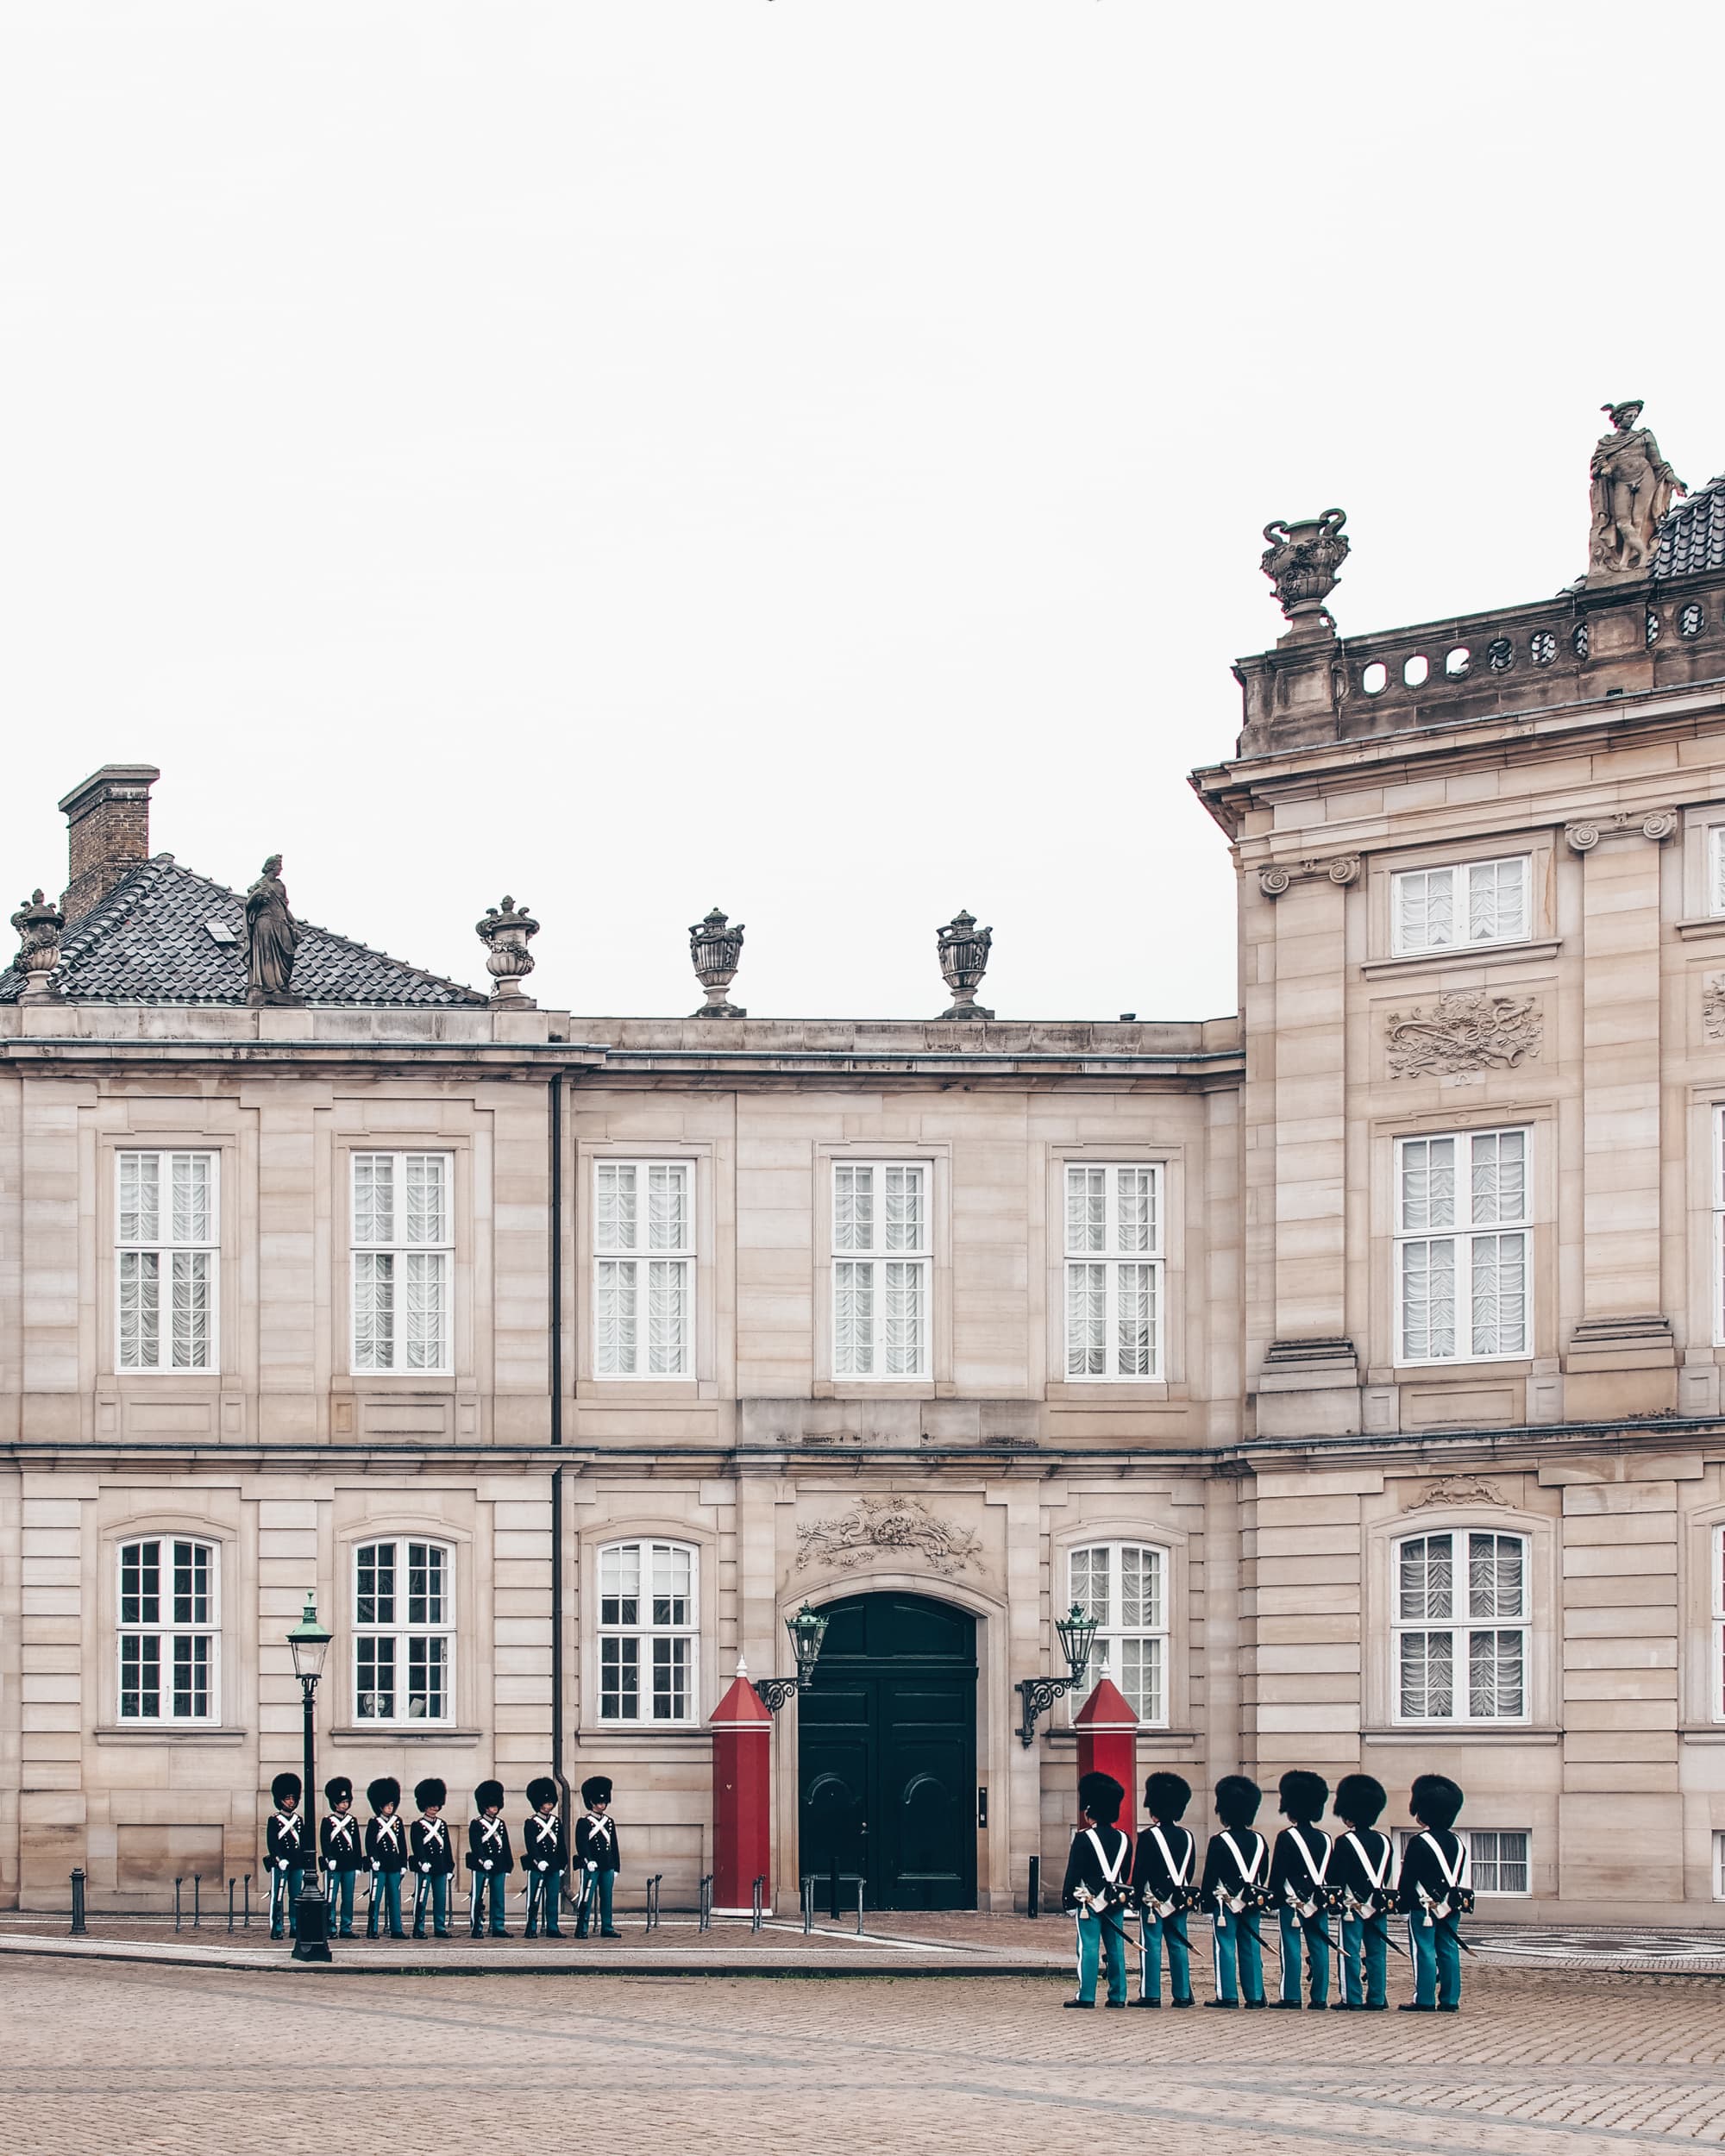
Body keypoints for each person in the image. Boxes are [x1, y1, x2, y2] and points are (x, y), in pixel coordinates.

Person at [1059, 1769, 1132, 2009]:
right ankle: (1118, 1996)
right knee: (1116, 1948)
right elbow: (1125, 1872)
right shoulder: (1124, 1838)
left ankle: (1086, 1995)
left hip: (1088, 1901)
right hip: (1115, 1900)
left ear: (1090, 1810)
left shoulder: (1083, 1838)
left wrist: (1069, 1900)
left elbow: (1074, 1872)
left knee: (1088, 1947)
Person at [1399, 1773, 1471, 2014]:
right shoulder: (1458, 1842)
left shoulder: (1419, 1841)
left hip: (1424, 1906)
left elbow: (1409, 1876)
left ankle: (1425, 1998)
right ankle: (1450, 1999)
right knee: (1449, 1950)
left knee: (1424, 1950)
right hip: (1450, 1905)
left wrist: (1404, 1902)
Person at [1201, 1775, 1269, 2009]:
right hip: (1251, 1902)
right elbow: (1263, 1872)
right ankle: (1255, 1995)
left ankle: (1227, 1995)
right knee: (1251, 1947)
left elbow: (1211, 1874)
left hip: (1225, 1903)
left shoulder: (1219, 1841)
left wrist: (1206, 1903)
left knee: (1225, 1947)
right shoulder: (1259, 1840)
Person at [1131, 1771, 1196, 2009]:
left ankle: (1151, 1993)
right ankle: (1183, 1993)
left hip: (1153, 1900)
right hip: (1178, 1899)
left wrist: (1137, 1896)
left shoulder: (1148, 1836)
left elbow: (1141, 1870)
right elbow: (1190, 1868)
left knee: (1151, 1945)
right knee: (1178, 1945)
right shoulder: (1187, 1836)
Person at [1331, 1773, 1396, 2012]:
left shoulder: (1345, 1841)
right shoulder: (1385, 1841)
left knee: (1349, 1951)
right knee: (1377, 1952)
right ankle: (1377, 1997)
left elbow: (1337, 1876)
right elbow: (1385, 1872)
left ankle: (1352, 1997)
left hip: (1352, 1905)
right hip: (1377, 1904)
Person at [1270, 1770, 1334, 2009]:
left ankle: (1291, 1995)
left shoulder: (1286, 1837)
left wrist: (1275, 1897)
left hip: (1292, 1900)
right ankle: (1320, 1997)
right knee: (1320, 1949)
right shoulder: (1325, 1838)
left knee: (1291, 1947)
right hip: (1318, 1900)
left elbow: (1279, 1871)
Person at [574, 1775, 623, 1939]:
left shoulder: (609, 1821)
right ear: (592, 1802)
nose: (602, 1805)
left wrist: (616, 1866)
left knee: (607, 1898)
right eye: (599, 1802)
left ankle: (607, 1927)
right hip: (592, 1865)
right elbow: (582, 1844)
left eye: (604, 1802)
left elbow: (614, 1845)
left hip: (607, 1865)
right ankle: (582, 1927)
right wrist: (587, 1860)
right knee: (586, 1898)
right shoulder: (584, 1821)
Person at [410, 1777, 456, 1940]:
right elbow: (417, 1846)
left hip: (440, 1866)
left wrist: (450, 1867)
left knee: (440, 1899)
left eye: (436, 1805)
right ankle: (418, 1927)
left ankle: (440, 1927)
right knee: (421, 1899)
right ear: (425, 1805)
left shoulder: (442, 1824)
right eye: (431, 1805)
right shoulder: (418, 1825)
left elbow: (447, 1847)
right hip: (426, 1867)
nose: (434, 1808)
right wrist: (422, 1861)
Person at [467, 1779, 513, 1938]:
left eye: (496, 1806)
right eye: (492, 1806)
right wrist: (483, 1859)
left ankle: (498, 1926)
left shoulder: (500, 1824)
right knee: (478, 1898)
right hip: (482, 1865)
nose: (495, 1809)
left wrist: (508, 1865)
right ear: (485, 1806)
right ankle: (476, 1926)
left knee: (498, 1898)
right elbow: (476, 1845)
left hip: (499, 1865)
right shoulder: (477, 1824)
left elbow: (505, 1845)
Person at [522, 1776, 568, 1939]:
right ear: (539, 1803)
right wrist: (538, 1860)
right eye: (546, 1803)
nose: (549, 1806)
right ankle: (531, 1926)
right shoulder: (531, 1822)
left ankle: (552, 1927)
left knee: (553, 1898)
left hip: (553, 1865)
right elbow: (531, 1845)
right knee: (534, 1898)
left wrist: (562, 1864)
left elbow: (561, 1844)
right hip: (537, 1866)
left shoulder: (555, 1822)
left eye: (550, 1803)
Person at [320, 1777, 363, 1940]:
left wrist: (358, 1865)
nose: (345, 1804)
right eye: (342, 1802)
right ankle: (330, 1927)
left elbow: (356, 1844)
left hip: (349, 1865)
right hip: (334, 1865)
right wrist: (329, 1858)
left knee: (348, 1898)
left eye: (346, 1801)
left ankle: (346, 1927)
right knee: (331, 1897)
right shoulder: (328, 1821)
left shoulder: (352, 1821)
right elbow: (325, 1842)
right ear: (335, 1803)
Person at [365, 1776, 408, 1940]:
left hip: (394, 1864)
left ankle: (397, 1928)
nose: (390, 1808)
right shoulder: (374, 1822)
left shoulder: (397, 1822)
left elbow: (402, 1843)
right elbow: (370, 1843)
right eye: (387, 1805)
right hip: (380, 1865)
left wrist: (403, 1863)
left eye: (392, 1805)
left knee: (395, 1899)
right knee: (375, 1898)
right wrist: (373, 1859)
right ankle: (372, 1928)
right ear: (380, 1806)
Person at [265, 1771, 306, 1940]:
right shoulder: (274, 1820)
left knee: (296, 1897)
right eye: (288, 1798)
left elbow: (303, 1843)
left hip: (296, 1863)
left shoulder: (298, 1820)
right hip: (281, 1864)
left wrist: (304, 1864)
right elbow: (272, 1842)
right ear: (281, 1799)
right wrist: (278, 1859)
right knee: (278, 1896)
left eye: (293, 1798)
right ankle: (277, 1927)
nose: (291, 1801)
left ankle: (295, 1926)